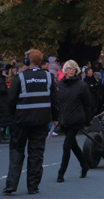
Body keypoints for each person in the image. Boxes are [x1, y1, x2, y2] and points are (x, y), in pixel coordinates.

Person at [4, 49, 58, 195]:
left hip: (21, 121)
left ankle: (11, 185)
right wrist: (55, 118)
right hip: (41, 122)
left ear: (27, 61)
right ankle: (33, 187)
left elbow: (11, 100)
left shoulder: (20, 77)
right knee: (36, 154)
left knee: (16, 151)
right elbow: (54, 99)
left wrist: (14, 115)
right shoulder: (48, 77)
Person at [54, 60, 92, 183]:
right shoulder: (59, 85)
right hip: (64, 119)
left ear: (76, 70)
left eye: (73, 68)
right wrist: (55, 118)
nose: (71, 70)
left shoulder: (81, 86)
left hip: (77, 119)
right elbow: (56, 103)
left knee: (66, 145)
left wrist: (87, 120)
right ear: (65, 69)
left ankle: (61, 173)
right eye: (69, 68)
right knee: (73, 145)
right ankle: (84, 165)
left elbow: (87, 104)